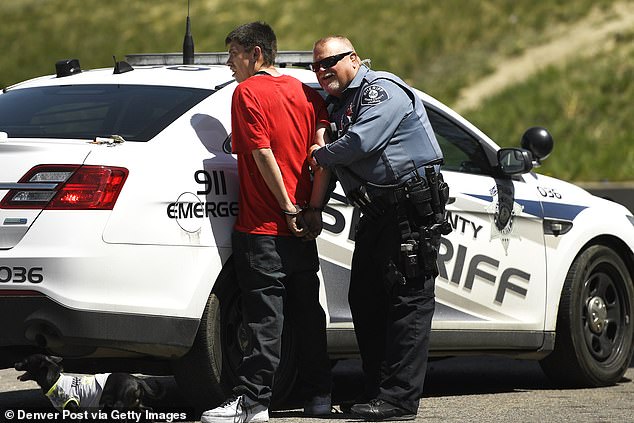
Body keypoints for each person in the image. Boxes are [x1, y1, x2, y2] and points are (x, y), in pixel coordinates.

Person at [308, 36, 451, 421]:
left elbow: (360, 142)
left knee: (408, 301)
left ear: (353, 59)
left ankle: (399, 400)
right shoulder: (338, 106)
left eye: (330, 62)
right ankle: (378, 390)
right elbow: (339, 167)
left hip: (409, 208)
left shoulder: (380, 90)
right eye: (315, 66)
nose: (322, 72)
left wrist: (319, 151)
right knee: (366, 299)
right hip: (375, 213)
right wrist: (313, 207)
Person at [201, 22, 332, 423]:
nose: (228, 63)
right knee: (307, 313)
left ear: (256, 53)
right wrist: (311, 208)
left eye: (233, 54)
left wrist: (288, 208)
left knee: (264, 318)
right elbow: (322, 154)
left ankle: (253, 403)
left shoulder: (247, 93)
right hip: (302, 227)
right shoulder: (307, 93)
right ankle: (319, 395)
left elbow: (260, 153)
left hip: (263, 227)